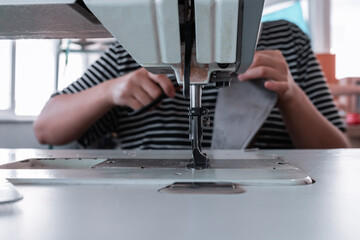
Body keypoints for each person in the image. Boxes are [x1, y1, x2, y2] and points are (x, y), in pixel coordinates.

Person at [33, 20, 350, 149]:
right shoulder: (134, 49)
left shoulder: (287, 41)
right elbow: (46, 128)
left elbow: (338, 154)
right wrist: (109, 91)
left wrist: (290, 95)